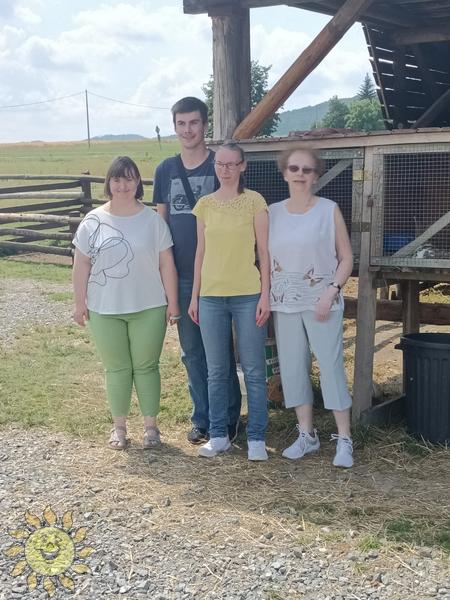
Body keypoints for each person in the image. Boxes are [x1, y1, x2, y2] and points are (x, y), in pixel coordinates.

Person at [72, 156, 179, 450]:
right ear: (109, 183)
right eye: (117, 179)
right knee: (116, 368)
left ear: (138, 183)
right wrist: (79, 302)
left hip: (149, 306)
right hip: (104, 308)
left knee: (146, 367)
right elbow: (81, 264)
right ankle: (119, 427)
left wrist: (173, 302)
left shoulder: (153, 221)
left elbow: (166, 263)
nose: (122, 185)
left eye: (129, 179)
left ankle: (151, 428)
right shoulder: (92, 221)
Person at [154, 97, 241, 445]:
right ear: (174, 127)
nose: (188, 130)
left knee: (220, 353)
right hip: (181, 274)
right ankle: (202, 419)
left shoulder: (220, 164)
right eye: (181, 124)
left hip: (218, 274)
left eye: (194, 122)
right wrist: (164, 277)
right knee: (192, 352)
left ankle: (228, 419)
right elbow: (161, 225)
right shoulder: (165, 170)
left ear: (205, 125)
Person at [268, 146, 354, 467]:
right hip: (285, 304)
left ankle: (344, 438)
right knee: (292, 368)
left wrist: (331, 292)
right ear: (284, 173)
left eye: (307, 169)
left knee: (331, 367)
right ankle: (307, 434)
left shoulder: (328, 210)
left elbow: (346, 258)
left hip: (322, 303)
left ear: (316, 175)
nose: (300, 174)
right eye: (294, 168)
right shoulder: (272, 213)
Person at [188, 142, 271, 461]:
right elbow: (200, 252)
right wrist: (194, 296)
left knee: (253, 369)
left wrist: (265, 293)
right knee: (217, 370)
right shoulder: (204, 205)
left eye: (231, 164)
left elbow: (264, 252)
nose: (225, 169)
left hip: (247, 294)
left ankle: (257, 437)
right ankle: (219, 435)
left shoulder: (255, 202)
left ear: (242, 166)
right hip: (210, 296)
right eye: (220, 164)